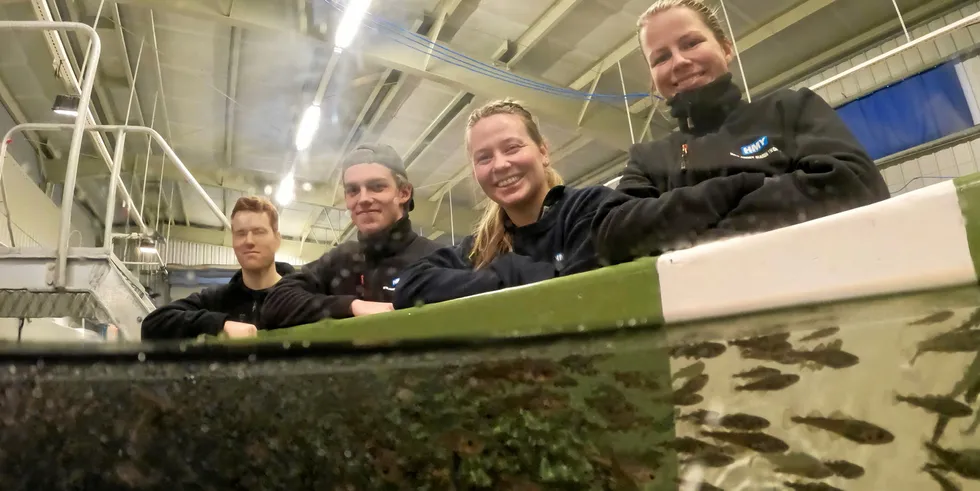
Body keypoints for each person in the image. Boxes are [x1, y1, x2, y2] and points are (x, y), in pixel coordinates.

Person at [591, 0, 890, 265]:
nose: (679, 61)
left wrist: (699, 243)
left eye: (691, 43)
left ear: (725, 47)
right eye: (661, 57)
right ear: (653, 79)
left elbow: (855, 184)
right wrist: (741, 186)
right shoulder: (649, 159)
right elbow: (613, 235)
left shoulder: (789, 108)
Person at [392, 99, 614, 308]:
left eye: (512, 148)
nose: (499, 165)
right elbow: (410, 284)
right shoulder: (479, 247)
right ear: (474, 171)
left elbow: (579, 297)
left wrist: (504, 271)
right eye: (484, 158)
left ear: (543, 152)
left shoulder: (590, 209)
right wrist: (504, 277)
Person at [260, 144, 441, 328]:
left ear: (404, 193)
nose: (363, 199)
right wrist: (351, 306)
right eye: (353, 190)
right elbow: (275, 303)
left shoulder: (436, 258)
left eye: (377, 187)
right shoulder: (340, 261)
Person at [141, 196, 295, 340]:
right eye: (240, 233)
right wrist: (220, 325)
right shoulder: (216, 300)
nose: (248, 241)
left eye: (258, 232)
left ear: (277, 240)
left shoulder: (305, 301)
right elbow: (152, 325)